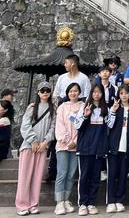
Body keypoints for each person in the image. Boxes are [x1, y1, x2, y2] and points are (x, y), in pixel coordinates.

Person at [15, 81, 55, 216]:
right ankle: (22, 205)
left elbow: (53, 127)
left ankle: (33, 204)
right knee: (25, 177)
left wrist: (45, 142)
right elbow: (25, 126)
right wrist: (33, 141)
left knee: (37, 177)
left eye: (47, 90)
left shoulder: (52, 108)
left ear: (50, 92)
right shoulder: (32, 107)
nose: (45, 93)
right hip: (29, 146)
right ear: (38, 92)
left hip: (42, 147)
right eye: (42, 90)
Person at [74, 84, 110, 216]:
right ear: (91, 93)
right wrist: (85, 115)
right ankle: (83, 203)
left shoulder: (105, 109)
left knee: (95, 177)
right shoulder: (84, 107)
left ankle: (91, 203)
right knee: (84, 177)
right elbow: (77, 125)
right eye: (94, 92)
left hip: (99, 148)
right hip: (85, 148)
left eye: (99, 92)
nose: (96, 94)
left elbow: (110, 125)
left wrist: (111, 112)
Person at [54, 82, 82, 215]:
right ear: (67, 93)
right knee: (62, 173)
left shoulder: (83, 106)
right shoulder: (62, 107)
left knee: (71, 174)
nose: (73, 93)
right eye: (71, 91)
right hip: (63, 145)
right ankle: (59, 202)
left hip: (76, 146)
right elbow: (59, 126)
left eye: (75, 91)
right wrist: (67, 140)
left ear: (79, 92)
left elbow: (83, 126)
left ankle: (66, 200)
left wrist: (75, 141)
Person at [106, 85, 129, 213]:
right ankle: (111, 201)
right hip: (114, 146)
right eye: (121, 93)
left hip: (127, 146)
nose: (124, 95)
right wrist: (113, 110)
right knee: (112, 174)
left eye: (126, 93)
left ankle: (119, 200)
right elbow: (109, 125)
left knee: (123, 175)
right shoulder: (115, 108)